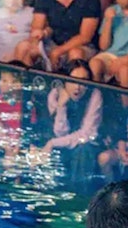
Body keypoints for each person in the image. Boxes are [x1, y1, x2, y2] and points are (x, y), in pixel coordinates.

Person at [37, 59, 104, 192]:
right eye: (73, 81)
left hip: (85, 143)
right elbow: (59, 132)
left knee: (83, 150)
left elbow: (86, 134)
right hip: (61, 138)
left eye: (83, 82)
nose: (77, 87)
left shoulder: (94, 95)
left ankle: (78, 192)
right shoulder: (55, 95)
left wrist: (53, 143)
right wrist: (62, 106)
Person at [12, 0, 101, 71]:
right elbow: (37, 27)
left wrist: (58, 51)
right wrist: (41, 33)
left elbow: (85, 37)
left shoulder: (90, 2)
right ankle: (23, 83)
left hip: (81, 45)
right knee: (23, 47)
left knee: (75, 53)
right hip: (52, 42)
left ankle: (72, 87)